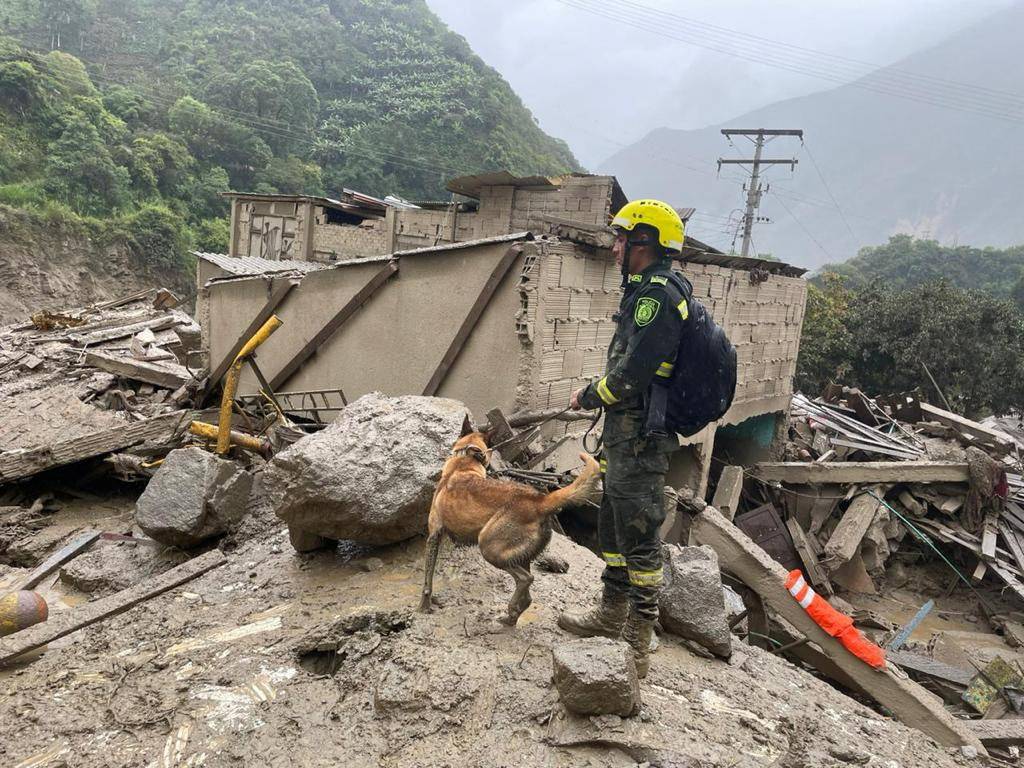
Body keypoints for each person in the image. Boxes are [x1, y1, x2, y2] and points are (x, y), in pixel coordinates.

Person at [558, 199, 688, 677]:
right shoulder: (642, 291)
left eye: (621, 239)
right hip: (624, 429)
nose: (614, 248)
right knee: (613, 523)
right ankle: (611, 612)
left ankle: (640, 633)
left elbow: (634, 372)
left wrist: (591, 395)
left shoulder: (659, 295)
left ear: (644, 241)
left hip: (641, 433)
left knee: (639, 530)